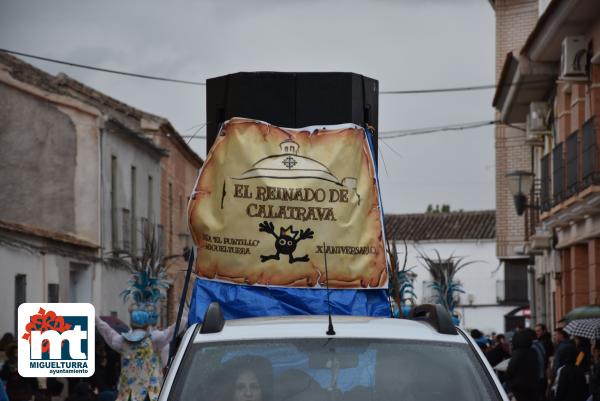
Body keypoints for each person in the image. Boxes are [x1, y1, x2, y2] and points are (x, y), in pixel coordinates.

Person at [506, 329, 540, 401]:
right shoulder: (533, 352)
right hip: (532, 384)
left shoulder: (517, 353)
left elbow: (511, 370)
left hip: (519, 386)